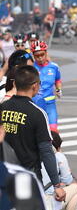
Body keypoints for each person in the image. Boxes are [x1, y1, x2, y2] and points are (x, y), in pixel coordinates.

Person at [0, 65, 65, 199]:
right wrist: (57, 185)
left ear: (14, 83)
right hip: (28, 176)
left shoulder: (3, 107)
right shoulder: (37, 113)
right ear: (35, 86)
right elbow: (46, 151)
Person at [42, 131, 77, 210]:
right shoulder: (58, 156)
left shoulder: (32, 154)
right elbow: (68, 180)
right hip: (48, 203)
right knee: (75, 188)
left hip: (32, 202)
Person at [30, 41, 62, 132]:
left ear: (46, 53)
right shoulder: (31, 68)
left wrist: (59, 89)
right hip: (36, 105)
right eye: (37, 56)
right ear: (33, 55)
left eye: (42, 54)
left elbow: (57, 80)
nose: (40, 58)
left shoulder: (54, 67)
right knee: (38, 131)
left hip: (50, 105)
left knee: (53, 130)